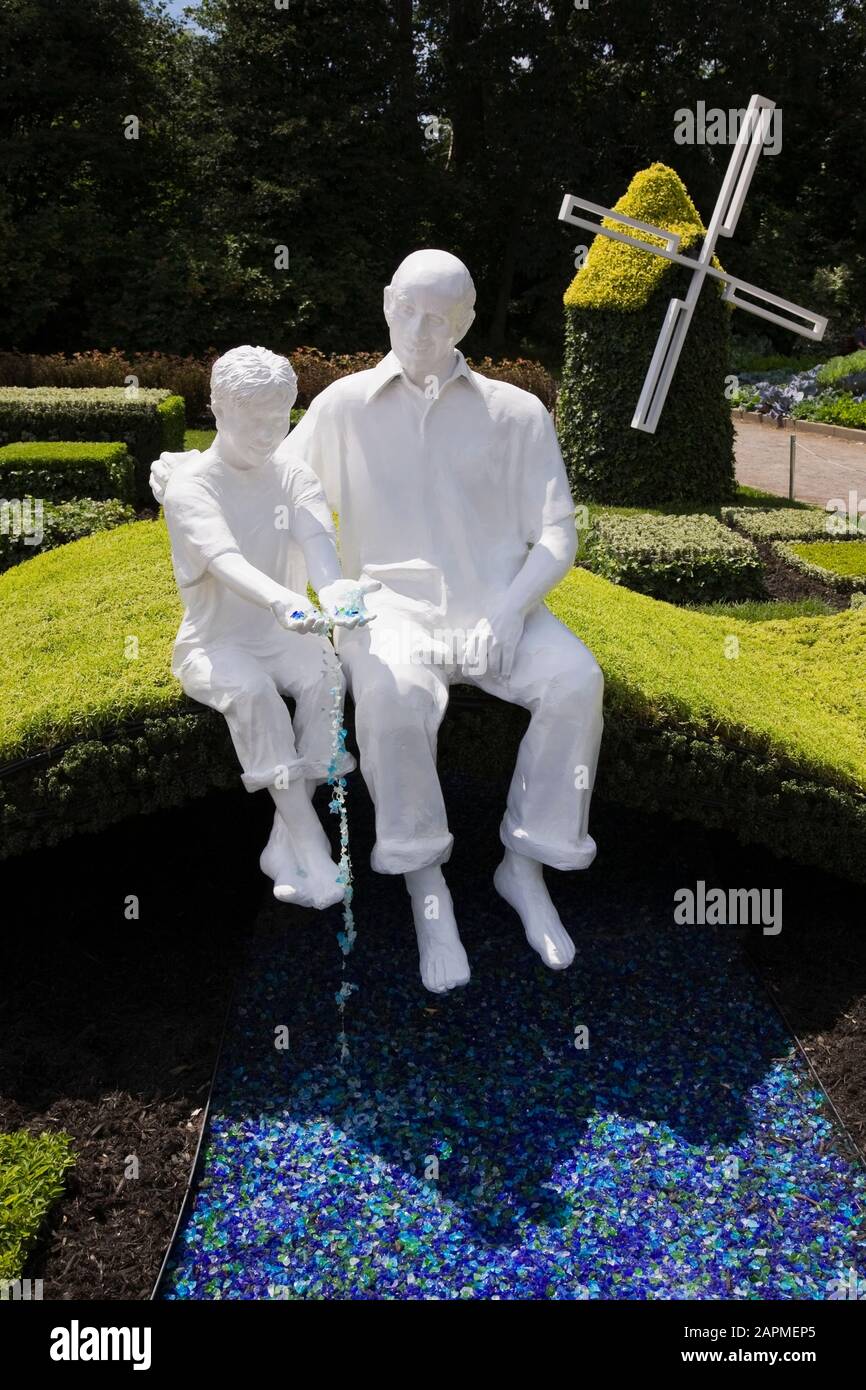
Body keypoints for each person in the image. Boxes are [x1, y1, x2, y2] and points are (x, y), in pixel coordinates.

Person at [278, 251, 604, 992]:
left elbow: (557, 534)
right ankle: (427, 886)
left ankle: (524, 865)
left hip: (496, 604)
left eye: (439, 317)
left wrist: (513, 607)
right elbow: (283, 495)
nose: (419, 331)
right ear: (386, 301)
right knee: (390, 698)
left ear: (464, 322)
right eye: (406, 310)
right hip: (391, 608)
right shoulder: (342, 407)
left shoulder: (516, 414)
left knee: (577, 682)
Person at [151, 345, 377, 909]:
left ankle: (282, 843)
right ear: (218, 409)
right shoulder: (192, 486)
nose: (270, 433)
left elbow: (318, 546)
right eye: (256, 422)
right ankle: (311, 844)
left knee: (328, 677)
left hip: (283, 637)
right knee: (253, 695)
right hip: (216, 643)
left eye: (281, 419)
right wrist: (281, 599)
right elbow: (225, 562)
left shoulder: (294, 472)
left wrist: (336, 591)